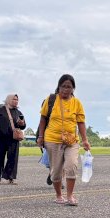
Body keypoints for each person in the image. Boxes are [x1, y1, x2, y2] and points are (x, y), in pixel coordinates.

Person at [36, 75, 91, 206]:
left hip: (71, 141)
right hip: (52, 140)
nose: (66, 89)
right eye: (63, 86)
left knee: (71, 166)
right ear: (59, 87)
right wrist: (40, 137)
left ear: (73, 89)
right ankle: (59, 196)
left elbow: (81, 122)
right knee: (56, 171)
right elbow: (43, 119)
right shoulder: (51, 100)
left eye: (69, 87)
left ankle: (70, 196)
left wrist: (85, 140)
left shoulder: (77, 103)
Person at [0, 93, 26, 184]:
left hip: (13, 139)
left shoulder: (19, 112)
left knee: (13, 158)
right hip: (0, 138)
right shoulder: (0, 111)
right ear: (8, 100)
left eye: (17, 100)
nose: (16, 101)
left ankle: (10, 177)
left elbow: (23, 127)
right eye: (14, 99)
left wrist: (22, 124)